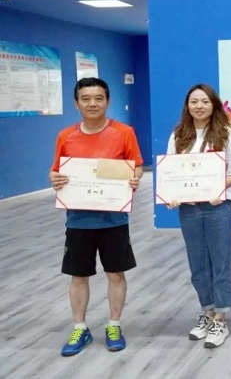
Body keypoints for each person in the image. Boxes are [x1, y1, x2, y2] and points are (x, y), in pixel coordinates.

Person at [49, 77, 144, 356]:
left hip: (114, 218)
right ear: (76, 103)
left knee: (115, 272)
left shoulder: (124, 132)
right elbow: (56, 170)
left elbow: (137, 166)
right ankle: (80, 328)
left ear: (108, 101)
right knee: (79, 275)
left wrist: (135, 178)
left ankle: (114, 325)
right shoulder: (65, 136)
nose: (92, 103)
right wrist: (54, 178)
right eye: (86, 98)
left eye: (99, 98)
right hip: (78, 219)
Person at [165, 84, 231, 348]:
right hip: (189, 208)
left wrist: (217, 188)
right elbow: (171, 172)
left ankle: (221, 318)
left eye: (204, 101)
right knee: (198, 263)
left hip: (218, 207)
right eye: (194, 102)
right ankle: (208, 312)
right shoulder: (178, 135)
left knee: (221, 262)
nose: (199, 106)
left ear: (214, 105)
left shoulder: (226, 134)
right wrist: (172, 194)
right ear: (187, 106)